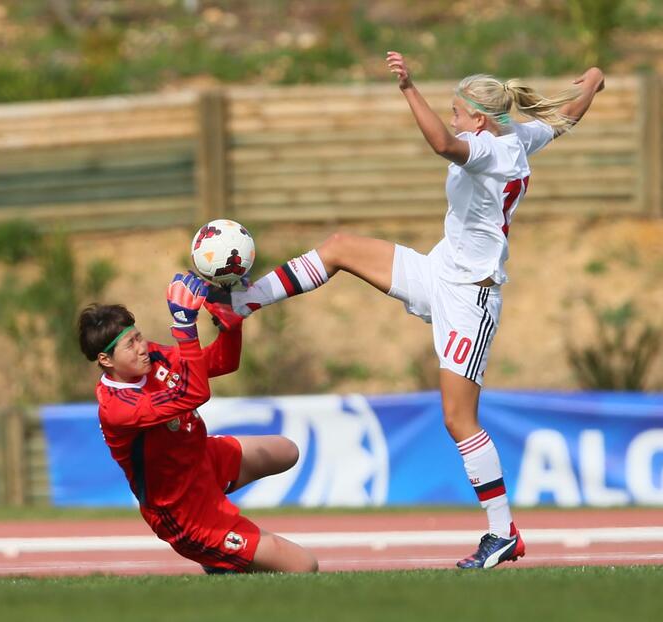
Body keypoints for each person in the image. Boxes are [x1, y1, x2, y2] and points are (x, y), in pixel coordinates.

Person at [226, 53, 606, 569]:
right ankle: (243, 301)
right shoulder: (517, 136)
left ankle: (503, 534)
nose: (452, 117)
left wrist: (408, 87)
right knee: (340, 247)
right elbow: (567, 118)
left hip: (470, 299)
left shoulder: (489, 148)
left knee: (459, 419)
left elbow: (443, 144)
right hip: (439, 272)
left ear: (478, 119)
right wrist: (593, 85)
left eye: (457, 110)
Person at [77, 272, 318, 574]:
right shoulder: (118, 408)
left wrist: (232, 324)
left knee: (287, 451)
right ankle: (218, 559)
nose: (141, 347)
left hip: (201, 460)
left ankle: (222, 557)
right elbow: (195, 393)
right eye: (129, 344)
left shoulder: (151, 356)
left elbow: (220, 363)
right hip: (182, 509)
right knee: (304, 566)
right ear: (106, 360)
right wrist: (185, 326)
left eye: (138, 336)